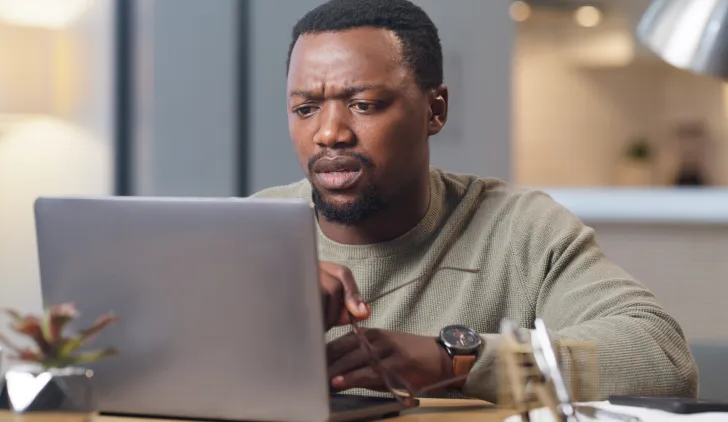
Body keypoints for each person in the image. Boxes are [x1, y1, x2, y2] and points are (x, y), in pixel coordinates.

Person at [252, 0, 698, 403]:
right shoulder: (251, 232)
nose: (329, 133)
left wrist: (455, 360)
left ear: (436, 110)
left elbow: (660, 355)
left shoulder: (519, 229)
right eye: (306, 109)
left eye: (365, 104)